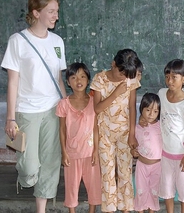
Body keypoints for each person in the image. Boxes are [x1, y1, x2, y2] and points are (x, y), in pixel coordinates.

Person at [1, 0, 66, 213]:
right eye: (51, 11)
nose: (56, 15)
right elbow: (12, 82)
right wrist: (10, 118)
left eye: (57, 11)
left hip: (53, 110)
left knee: (50, 163)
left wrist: (67, 109)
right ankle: (26, 179)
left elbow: (58, 79)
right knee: (29, 168)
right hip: (27, 111)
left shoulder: (57, 42)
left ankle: (41, 209)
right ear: (36, 13)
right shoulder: (18, 41)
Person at [90, 49, 142, 213]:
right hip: (104, 134)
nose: (124, 78)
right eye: (121, 73)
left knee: (125, 172)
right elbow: (97, 108)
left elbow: (132, 108)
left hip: (125, 134)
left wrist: (132, 134)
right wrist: (115, 93)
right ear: (113, 64)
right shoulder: (100, 79)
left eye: (127, 75)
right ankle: (109, 210)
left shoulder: (130, 79)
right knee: (107, 173)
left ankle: (126, 208)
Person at [56, 62, 102, 213]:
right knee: (71, 186)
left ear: (88, 80)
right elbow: (62, 129)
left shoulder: (93, 103)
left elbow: (96, 128)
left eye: (82, 76)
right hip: (72, 154)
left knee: (94, 185)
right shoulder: (64, 104)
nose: (79, 80)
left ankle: (92, 210)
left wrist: (96, 150)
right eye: (74, 77)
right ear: (68, 82)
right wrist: (63, 152)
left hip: (90, 153)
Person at [158, 59, 184, 213]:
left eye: (174, 77)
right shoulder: (161, 94)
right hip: (166, 153)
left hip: (182, 154)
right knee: (166, 188)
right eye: (167, 77)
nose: (170, 81)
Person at [130, 93, 162, 213]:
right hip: (142, 165)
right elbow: (133, 145)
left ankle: (151, 211)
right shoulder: (137, 127)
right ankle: (140, 210)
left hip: (157, 166)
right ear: (141, 109)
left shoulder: (161, 126)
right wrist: (133, 151)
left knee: (154, 191)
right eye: (147, 110)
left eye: (155, 111)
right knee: (141, 190)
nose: (151, 114)